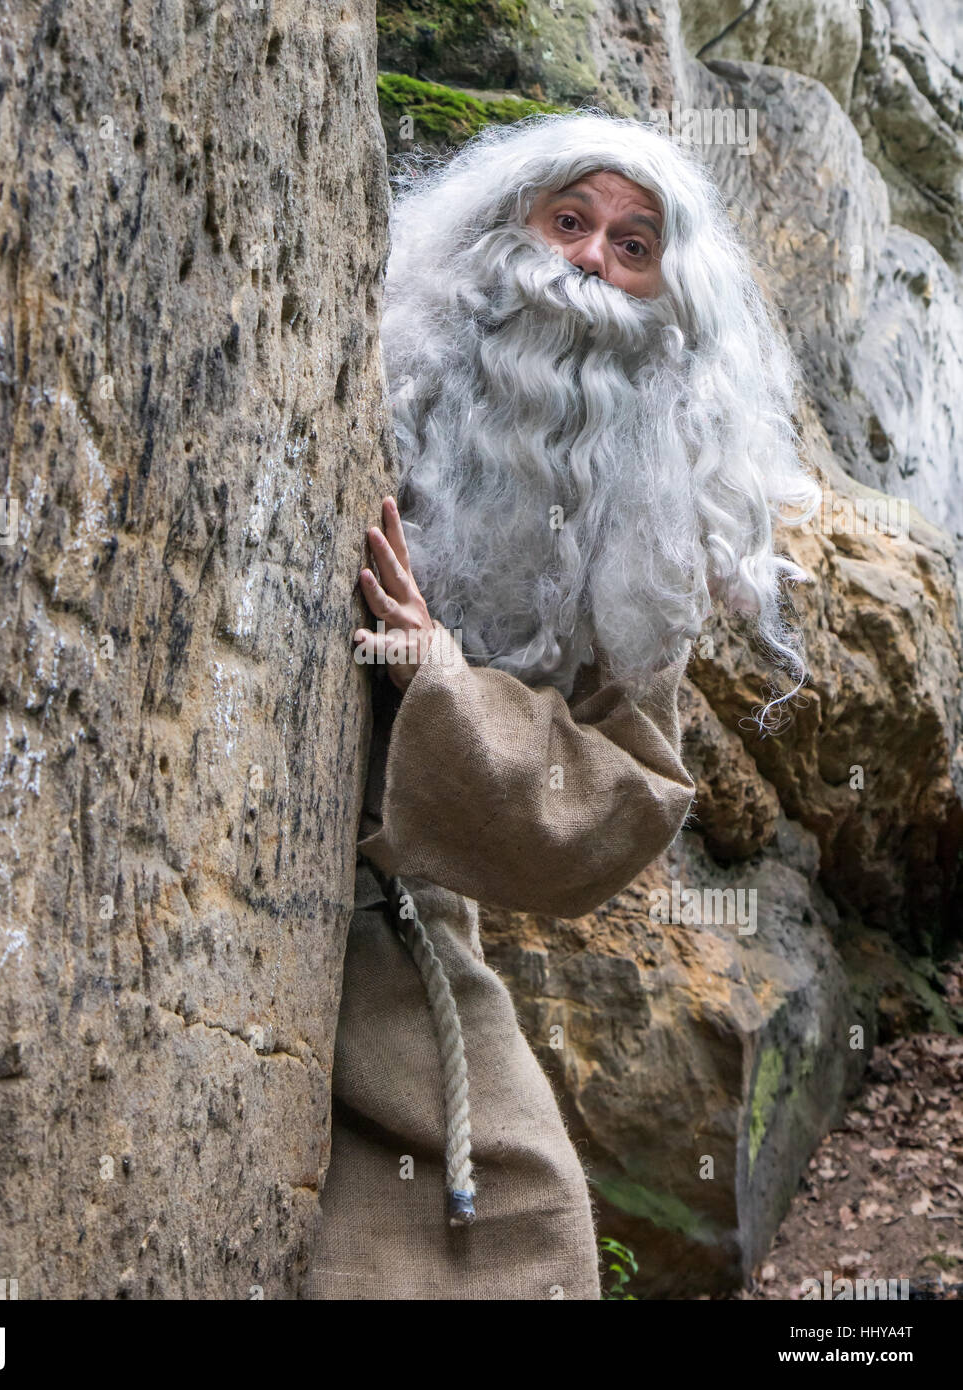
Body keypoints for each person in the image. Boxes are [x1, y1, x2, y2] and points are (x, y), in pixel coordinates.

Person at [304, 111, 821, 1300]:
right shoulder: (384, 347)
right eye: (569, 220)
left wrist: (438, 683)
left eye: (631, 246)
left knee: (521, 1223)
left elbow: (628, 788)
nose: (589, 260)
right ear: (504, 231)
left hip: (400, 915)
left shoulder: (640, 517)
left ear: (661, 305)